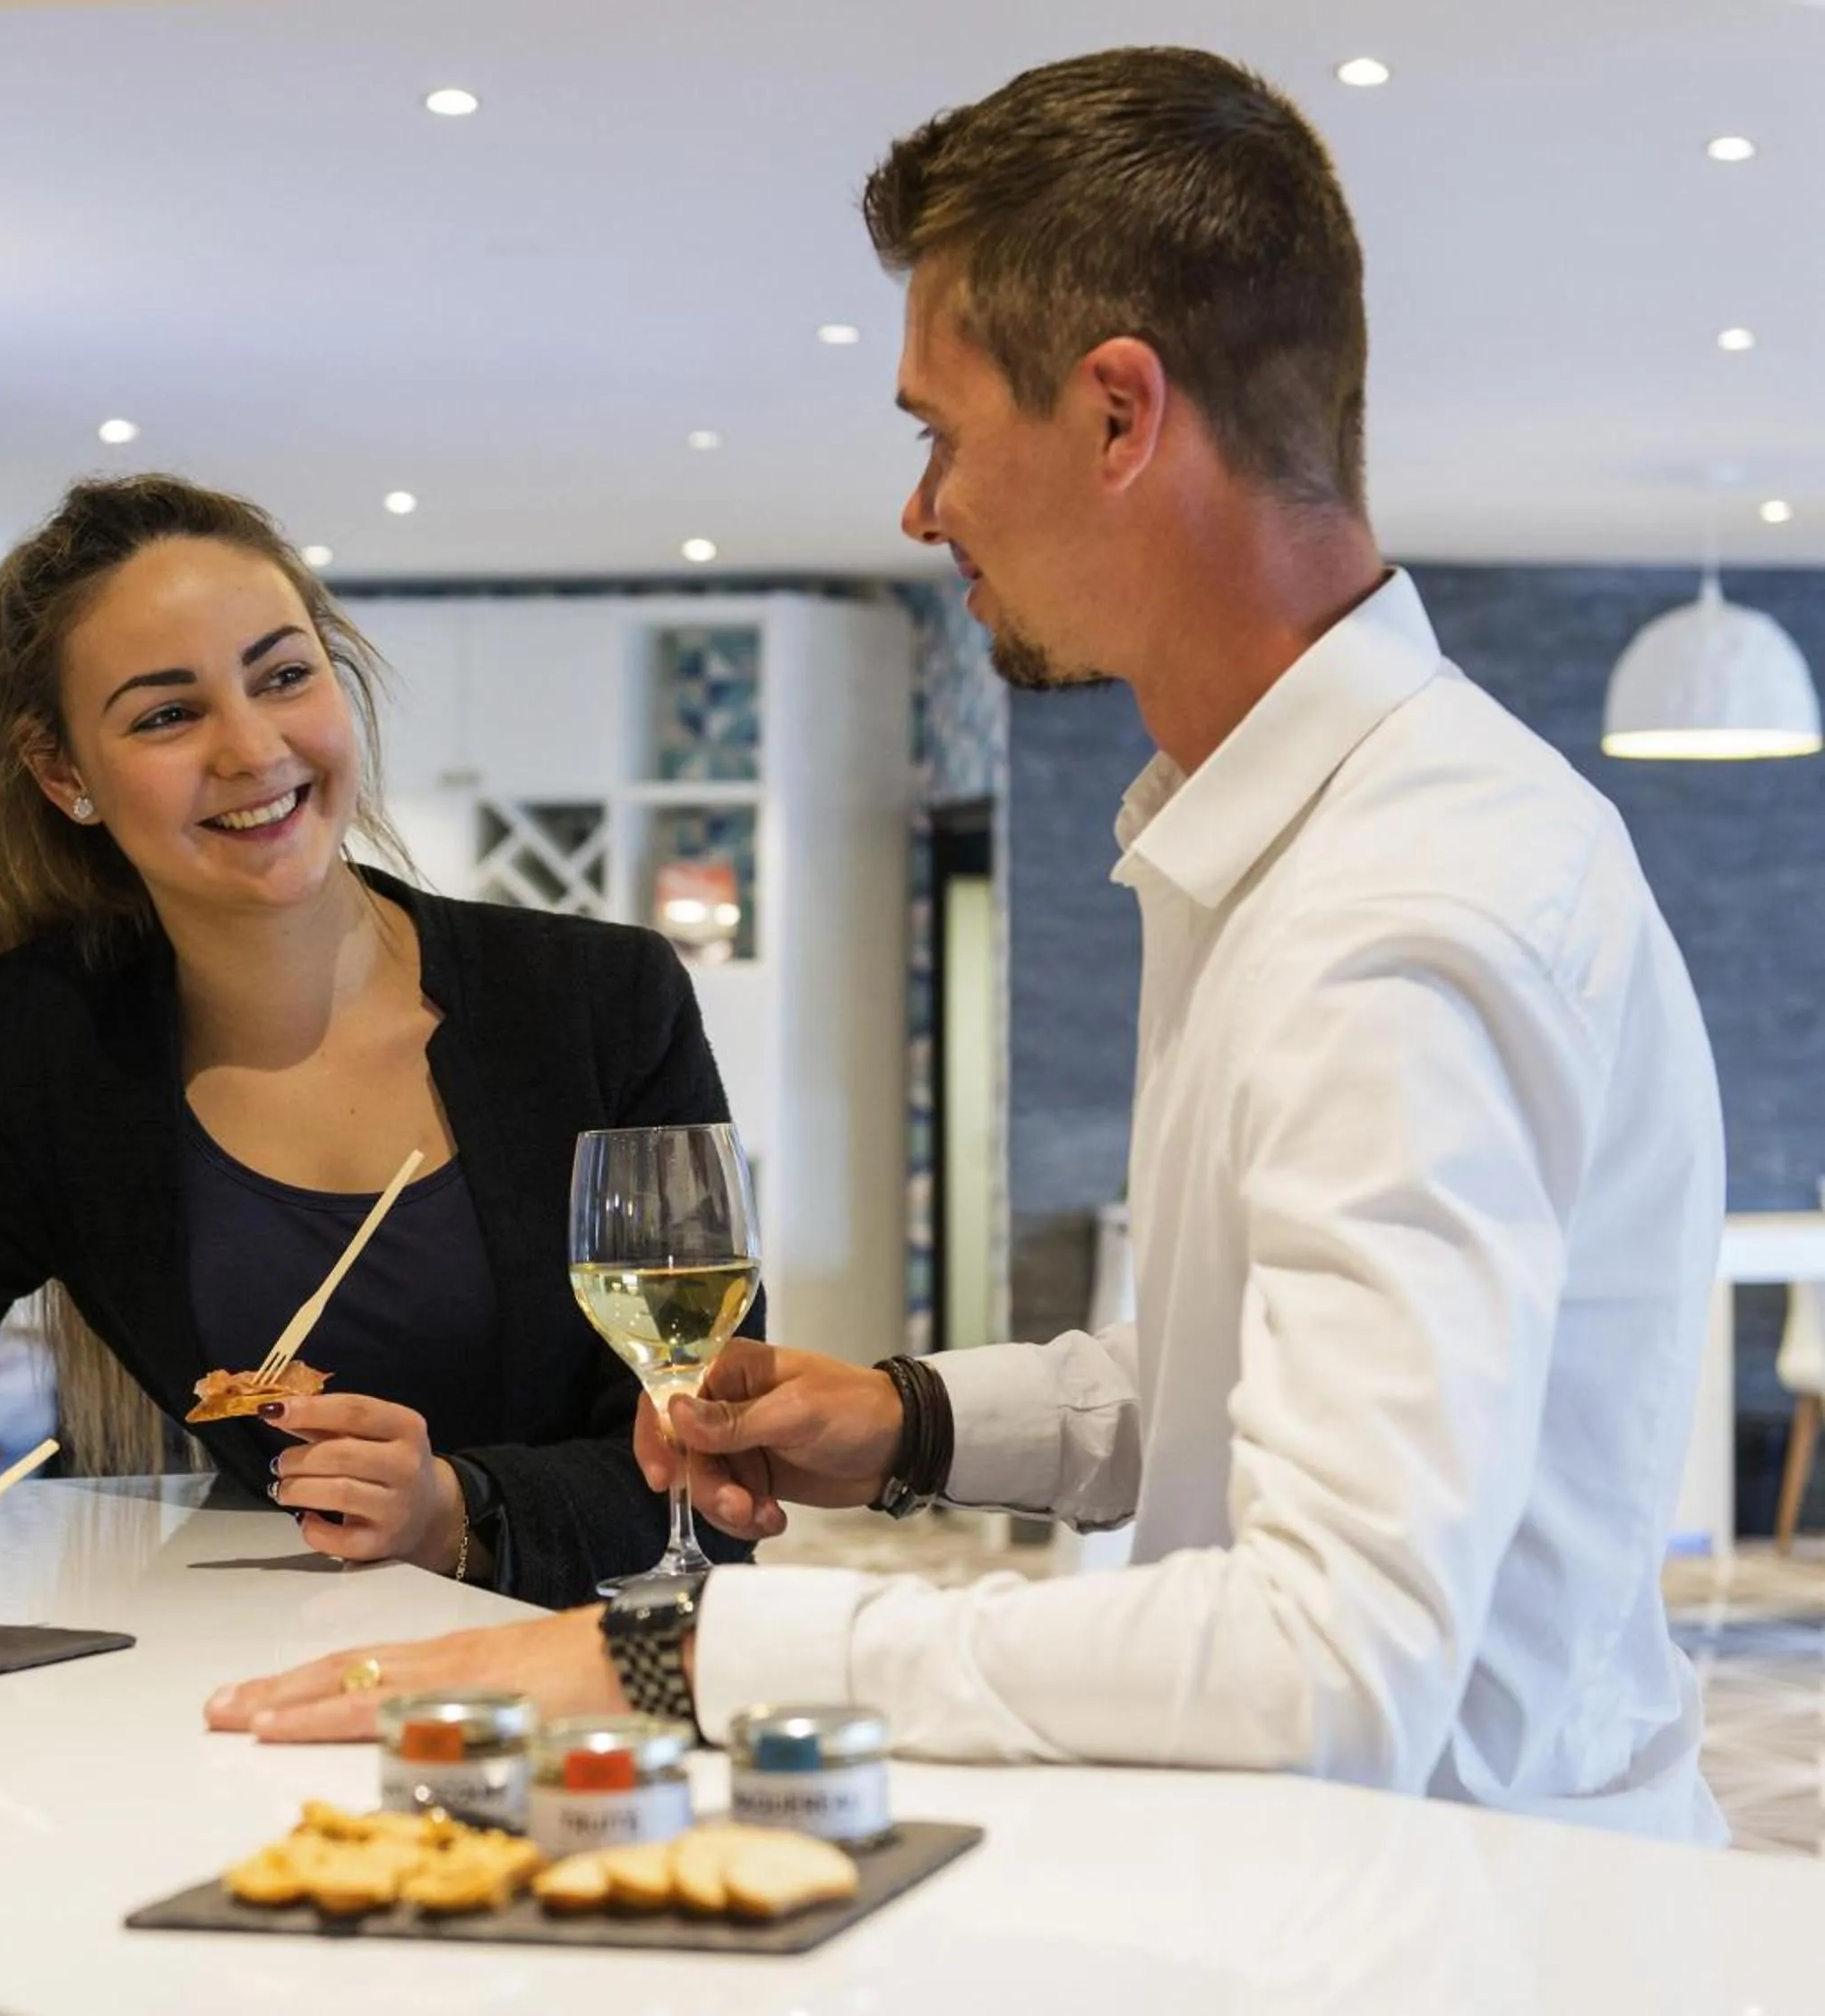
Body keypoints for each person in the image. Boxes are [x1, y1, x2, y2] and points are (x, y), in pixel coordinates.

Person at [208, 46, 1727, 1845]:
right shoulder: (1298, 836)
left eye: (938, 432)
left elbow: (1333, 1663)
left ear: (1118, 415)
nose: (922, 509)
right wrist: (910, 1419)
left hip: (1474, 1914)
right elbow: (1237, 1394)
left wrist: (678, 1653)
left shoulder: (1401, 906)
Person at [0, 474, 750, 1607]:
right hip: (247, 1682)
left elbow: (715, 1476)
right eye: (167, 715)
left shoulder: (596, 999)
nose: (251, 748)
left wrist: (458, 1512)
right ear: (63, 774)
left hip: (584, 1681)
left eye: (283, 676)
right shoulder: (53, 1042)